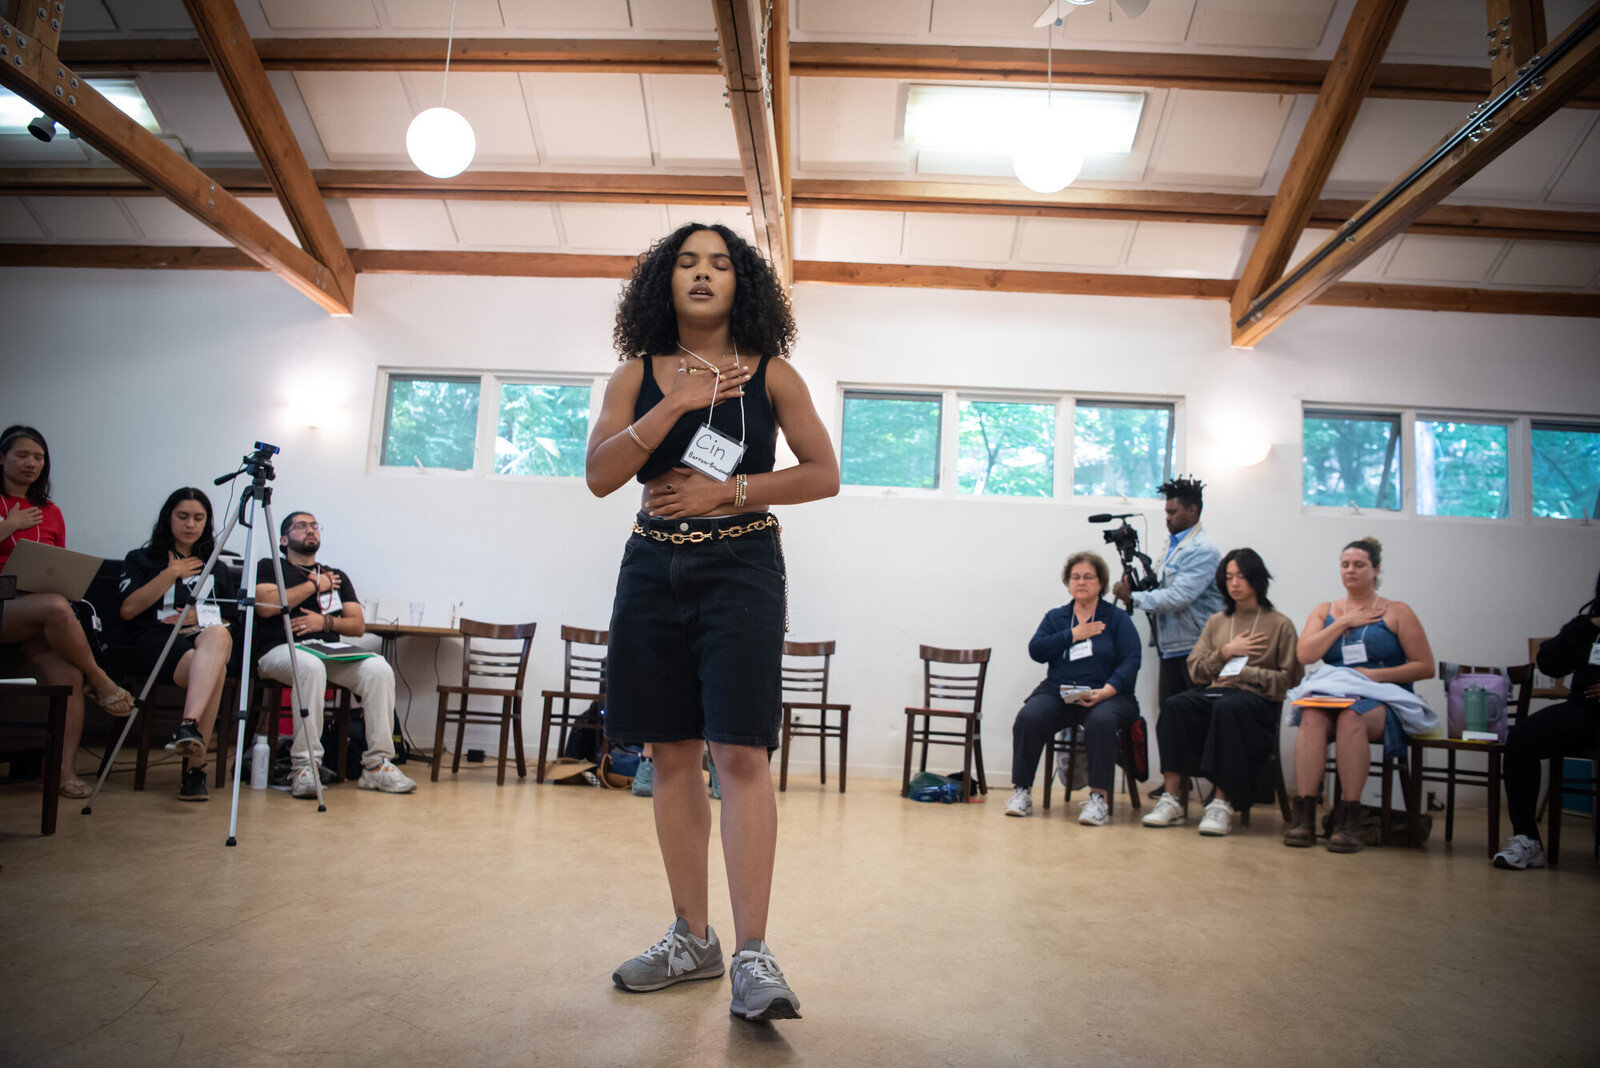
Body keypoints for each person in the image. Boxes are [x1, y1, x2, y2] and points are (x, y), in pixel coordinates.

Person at [586, 223, 838, 1022]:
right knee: (670, 750)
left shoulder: (774, 375)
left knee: (739, 750)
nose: (703, 274)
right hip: (652, 567)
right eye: (687, 263)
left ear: (743, 285)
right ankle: (692, 938)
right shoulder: (634, 376)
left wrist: (728, 492)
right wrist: (679, 405)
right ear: (663, 282)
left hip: (742, 566)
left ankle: (752, 955)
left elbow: (823, 474)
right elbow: (600, 475)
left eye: (721, 264)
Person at [0, 424, 133, 798]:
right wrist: (8, 526)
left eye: (38, 457)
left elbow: (55, 564)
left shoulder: (50, 511)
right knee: (57, 607)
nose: (31, 463)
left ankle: (63, 774)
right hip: (7, 606)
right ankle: (102, 680)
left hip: (37, 613)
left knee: (68, 676)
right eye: (22, 455)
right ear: (2, 458)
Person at [252, 511, 416, 798]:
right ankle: (305, 768)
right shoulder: (270, 567)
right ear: (283, 538)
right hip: (280, 651)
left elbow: (357, 625)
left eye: (315, 526)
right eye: (301, 526)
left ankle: (377, 765)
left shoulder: (337, 576)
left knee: (379, 668)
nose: (310, 530)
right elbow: (267, 605)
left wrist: (324, 623)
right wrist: (315, 584)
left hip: (330, 653)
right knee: (310, 666)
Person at [1287, 537, 1434, 853]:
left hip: (1381, 697)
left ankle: (1350, 817)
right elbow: (1305, 654)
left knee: (1351, 718)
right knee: (1311, 715)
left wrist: (1375, 676)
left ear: (1375, 569)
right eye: (1345, 565)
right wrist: (1343, 622)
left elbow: (1425, 666)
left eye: (1359, 565)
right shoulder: (1325, 611)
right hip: (1335, 693)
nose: (1350, 571)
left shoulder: (1397, 611)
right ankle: (1304, 816)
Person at [1142, 548, 1301, 836]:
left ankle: (1221, 803)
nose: (1235, 583)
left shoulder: (1280, 624)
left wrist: (1246, 672)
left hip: (1256, 704)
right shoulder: (1217, 621)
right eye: (1228, 577)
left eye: (1241, 576)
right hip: (1217, 693)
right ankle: (1172, 798)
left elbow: (1288, 680)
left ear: (1257, 578)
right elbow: (1196, 670)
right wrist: (1225, 652)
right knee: (1176, 705)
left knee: (1228, 709)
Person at [118, 488, 237, 802]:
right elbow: (128, 610)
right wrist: (172, 572)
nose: (191, 524)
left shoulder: (218, 568)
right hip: (154, 641)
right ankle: (195, 771)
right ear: (167, 518)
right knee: (217, 672)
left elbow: (232, 621)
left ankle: (188, 727)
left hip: (203, 643)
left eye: (199, 518)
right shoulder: (142, 559)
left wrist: (199, 615)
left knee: (219, 637)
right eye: (183, 516)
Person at [1006, 550, 1141, 826]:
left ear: (1101, 583)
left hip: (1106, 695)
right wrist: (1072, 635)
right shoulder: (1057, 618)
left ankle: (1098, 800)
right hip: (1060, 691)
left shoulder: (1116, 619)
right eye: (1075, 577)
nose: (1081, 582)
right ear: (1068, 582)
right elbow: (1036, 650)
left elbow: (1131, 660)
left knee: (1102, 722)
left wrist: (1107, 690)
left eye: (1088, 577)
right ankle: (1022, 792)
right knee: (1029, 717)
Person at [1493, 570, 1600, 870]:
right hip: (1584, 710)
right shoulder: (1590, 626)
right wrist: (1587, 623)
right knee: (1522, 737)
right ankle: (1527, 839)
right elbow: (1549, 662)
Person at [1111, 476, 1224, 735]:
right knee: (1172, 719)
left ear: (1192, 510)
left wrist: (1133, 598)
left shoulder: (1202, 549)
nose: (1167, 518)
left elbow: (1178, 597)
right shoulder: (1173, 545)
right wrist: (1138, 587)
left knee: (1195, 722)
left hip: (1195, 649)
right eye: (1166, 512)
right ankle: (1176, 776)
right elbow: (1164, 592)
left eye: (1172, 512)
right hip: (1171, 646)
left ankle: (1190, 775)